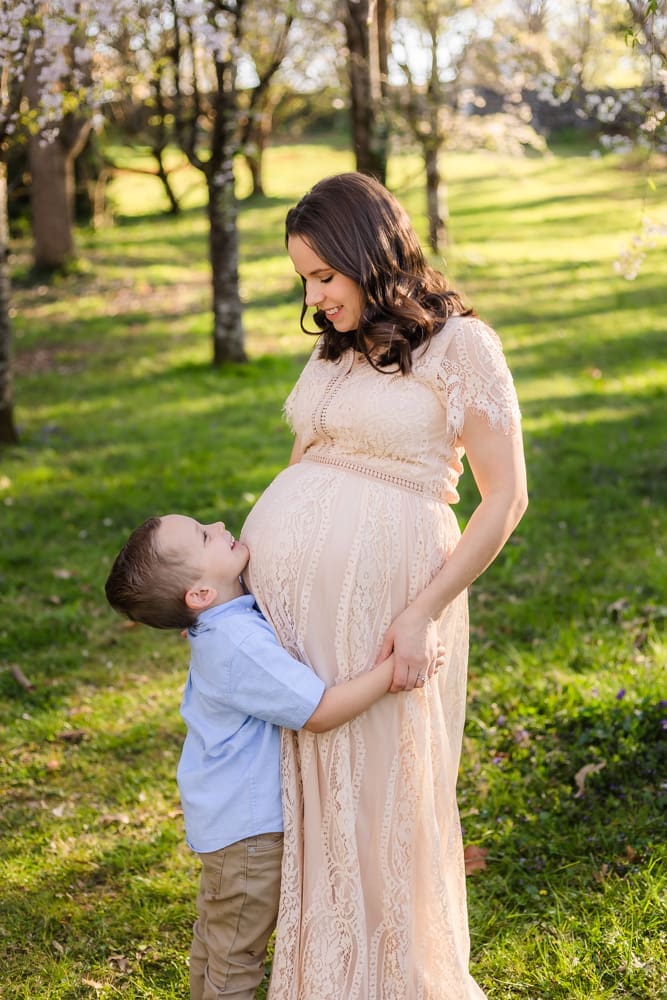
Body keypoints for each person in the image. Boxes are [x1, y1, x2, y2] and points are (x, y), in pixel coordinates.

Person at [240, 172, 528, 999]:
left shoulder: (461, 345)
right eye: (303, 279)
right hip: (300, 621)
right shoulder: (335, 346)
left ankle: (392, 977)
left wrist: (419, 612)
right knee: (319, 798)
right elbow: (306, 459)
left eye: (324, 275)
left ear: (369, 253)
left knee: (381, 794)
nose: (313, 295)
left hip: (390, 604)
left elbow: (504, 498)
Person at [104, 512, 406, 1000]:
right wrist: (391, 671)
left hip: (227, 822)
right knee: (235, 956)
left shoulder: (221, 623)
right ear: (199, 596)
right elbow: (321, 710)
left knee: (215, 939)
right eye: (205, 535)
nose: (221, 525)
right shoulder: (237, 644)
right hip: (249, 835)